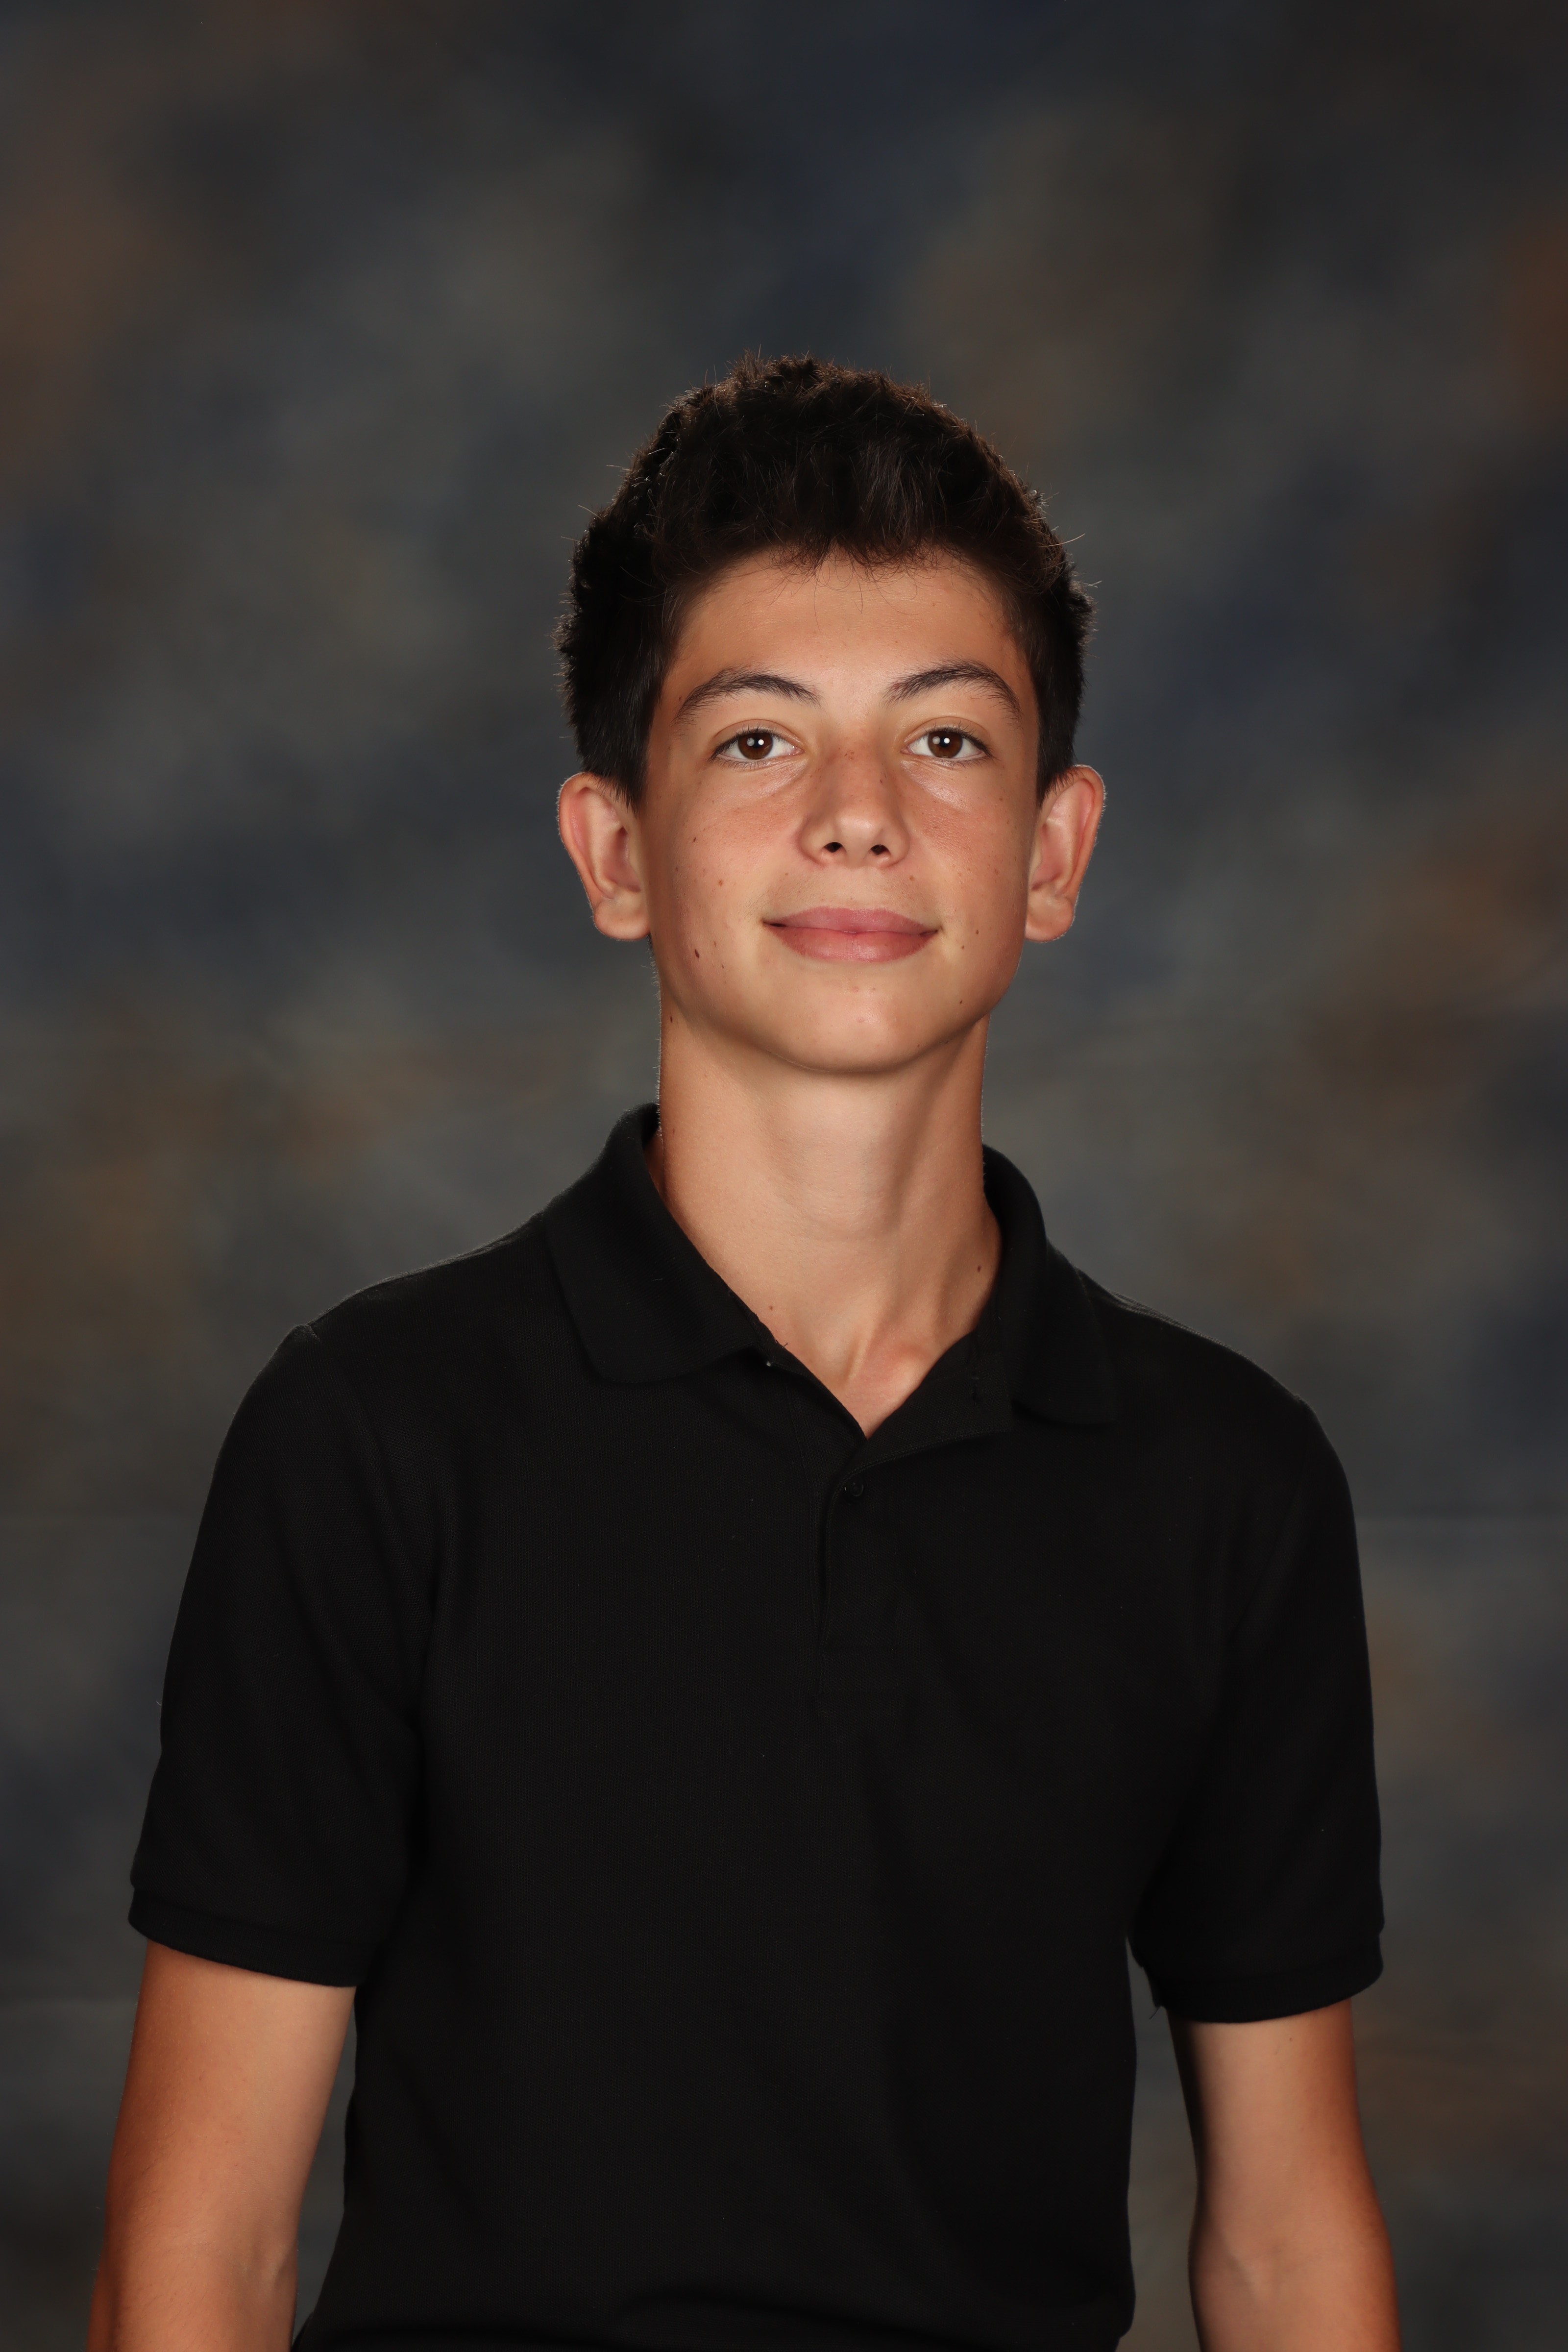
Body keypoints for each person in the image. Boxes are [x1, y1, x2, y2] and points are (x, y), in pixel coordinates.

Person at [92, 356, 1398, 2352]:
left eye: (945, 741)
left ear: (1052, 854)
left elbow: (1288, 2245)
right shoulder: (376, 1435)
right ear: (616, 851)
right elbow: (204, 2254)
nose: (859, 818)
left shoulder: (1224, 1482)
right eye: (759, 740)